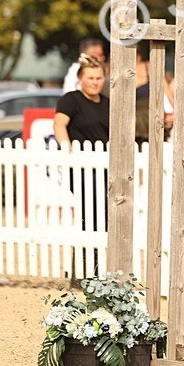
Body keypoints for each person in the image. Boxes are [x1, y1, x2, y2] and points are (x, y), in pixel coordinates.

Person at [54, 54, 110, 276]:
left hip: (104, 167)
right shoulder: (71, 99)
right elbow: (59, 124)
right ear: (80, 79)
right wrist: (65, 146)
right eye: (90, 78)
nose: (95, 82)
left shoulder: (107, 103)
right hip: (81, 168)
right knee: (91, 216)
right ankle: (82, 271)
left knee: (101, 217)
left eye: (98, 77)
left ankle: (92, 270)